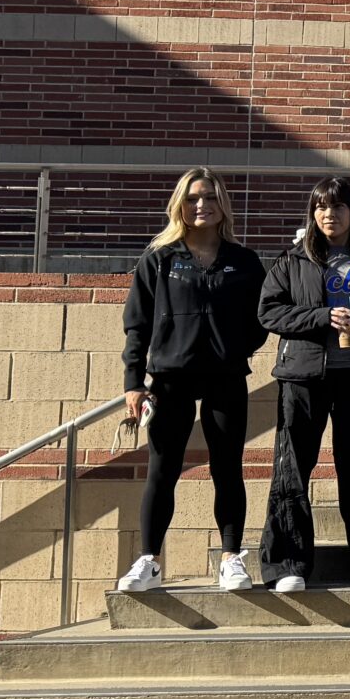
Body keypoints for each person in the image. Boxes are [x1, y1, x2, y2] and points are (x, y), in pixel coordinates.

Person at [117, 168, 269, 594]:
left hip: (225, 377)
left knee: (228, 468)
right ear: (180, 205)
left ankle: (230, 558)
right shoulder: (159, 260)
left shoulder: (243, 261)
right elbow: (137, 325)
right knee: (162, 471)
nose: (201, 205)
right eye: (193, 198)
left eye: (210, 198)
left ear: (223, 205)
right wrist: (134, 382)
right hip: (170, 378)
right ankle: (149, 560)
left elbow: (262, 317)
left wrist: (236, 347)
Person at [258, 178, 350, 592]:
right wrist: (321, 317)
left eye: (339, 206)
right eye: (322, 207)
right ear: (313, 213)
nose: (330, 214)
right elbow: (270, 313)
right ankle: (287, 564)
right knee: (291, 470)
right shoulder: (293, 260)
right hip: (303, 378)